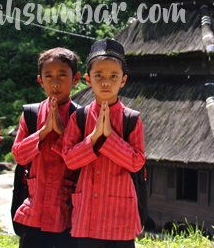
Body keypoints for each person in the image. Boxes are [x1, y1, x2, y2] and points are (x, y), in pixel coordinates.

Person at [61, 38, 145, 248]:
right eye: (99, 75)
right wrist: (94, 137)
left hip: (121, 217)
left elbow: (136, 163)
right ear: (88, 80)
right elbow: (70, 160)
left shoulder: (131, 119)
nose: (106, 82)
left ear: (123, 80)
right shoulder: (79, 117)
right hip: (86, 215)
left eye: (113, 76)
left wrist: (110, 137)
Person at [12, 47, 82, 248]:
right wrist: (42, 132)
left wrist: (62, 133)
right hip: (35, 210)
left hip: (67, 211)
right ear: (40, 80)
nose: (55, 82)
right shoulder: (31, 114)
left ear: (75, 78)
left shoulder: (82, 117)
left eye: (62, 75)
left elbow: (80, 160)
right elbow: (19, 155)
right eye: (48, 76)